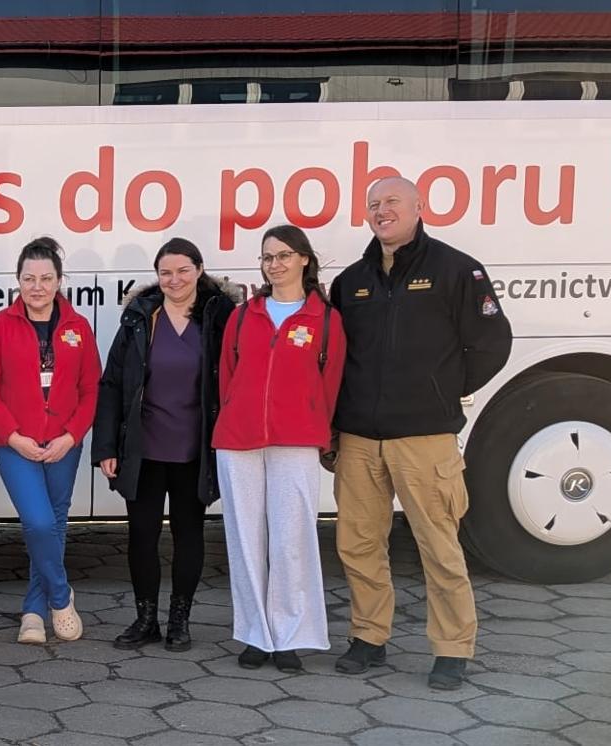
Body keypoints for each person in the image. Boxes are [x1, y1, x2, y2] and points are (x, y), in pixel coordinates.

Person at [330, 176, 513, 691]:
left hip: (425, 437)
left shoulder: (457, 269)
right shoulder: (352, 281)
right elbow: (339, 361)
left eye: (391, 201)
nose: (381, 211)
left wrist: (441, 391)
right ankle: (369, 637)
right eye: (373, 204)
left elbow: (492, 343)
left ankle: (453, 647)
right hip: (360, 438)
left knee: (439, 544)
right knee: (359, 543)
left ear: (417, 206)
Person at [213, 225, 347, 673]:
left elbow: (330, 386)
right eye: (268, 257)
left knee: (291, 541)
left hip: (296, 441)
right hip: (238, 440)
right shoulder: (242, 315)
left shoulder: (325, 320)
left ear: (304, 259)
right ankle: (255, 635)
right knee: (246, 541)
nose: (275, 264)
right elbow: (227, 376)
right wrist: (236, 412)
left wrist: (316, 429)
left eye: (284, 255)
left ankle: (289, 636)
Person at [94, 238, 237, 651]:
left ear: (199, 269)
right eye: (165, 273)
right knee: (141, 534)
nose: (174, 280)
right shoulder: (141, 316)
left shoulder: (220, 317)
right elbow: (112, 383)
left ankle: (180, 621)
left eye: (182, 271)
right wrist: (106, 446)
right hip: (143, 446)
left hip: (196, 449)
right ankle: (144, 620)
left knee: (189, 535)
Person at [0, 237, 99, 644]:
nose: (37, 287)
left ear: (60, 281)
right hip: (15, 445)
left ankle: (32, 609)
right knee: (38, 521)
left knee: (55, 524)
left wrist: (72, 435)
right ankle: (60, 597)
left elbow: (90, 389)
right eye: (29, 279)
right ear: (18, 281)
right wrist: (13, 436)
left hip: (63, 443)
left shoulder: (78, 327)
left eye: (46, 278)